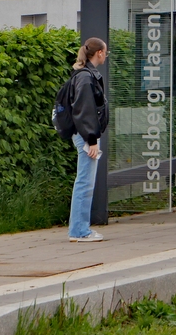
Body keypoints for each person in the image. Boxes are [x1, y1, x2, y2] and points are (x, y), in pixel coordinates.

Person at [68, 37, 109, 242]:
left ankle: (79, 229)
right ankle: (79, 231)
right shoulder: (86, 77)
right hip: (86, 136)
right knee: (85, 182)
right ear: (99, 53)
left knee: (84, 181)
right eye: (105, 53)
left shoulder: (84, 74)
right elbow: (85, 110)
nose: (105, 56)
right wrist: (91, 139)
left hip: (85, 135)